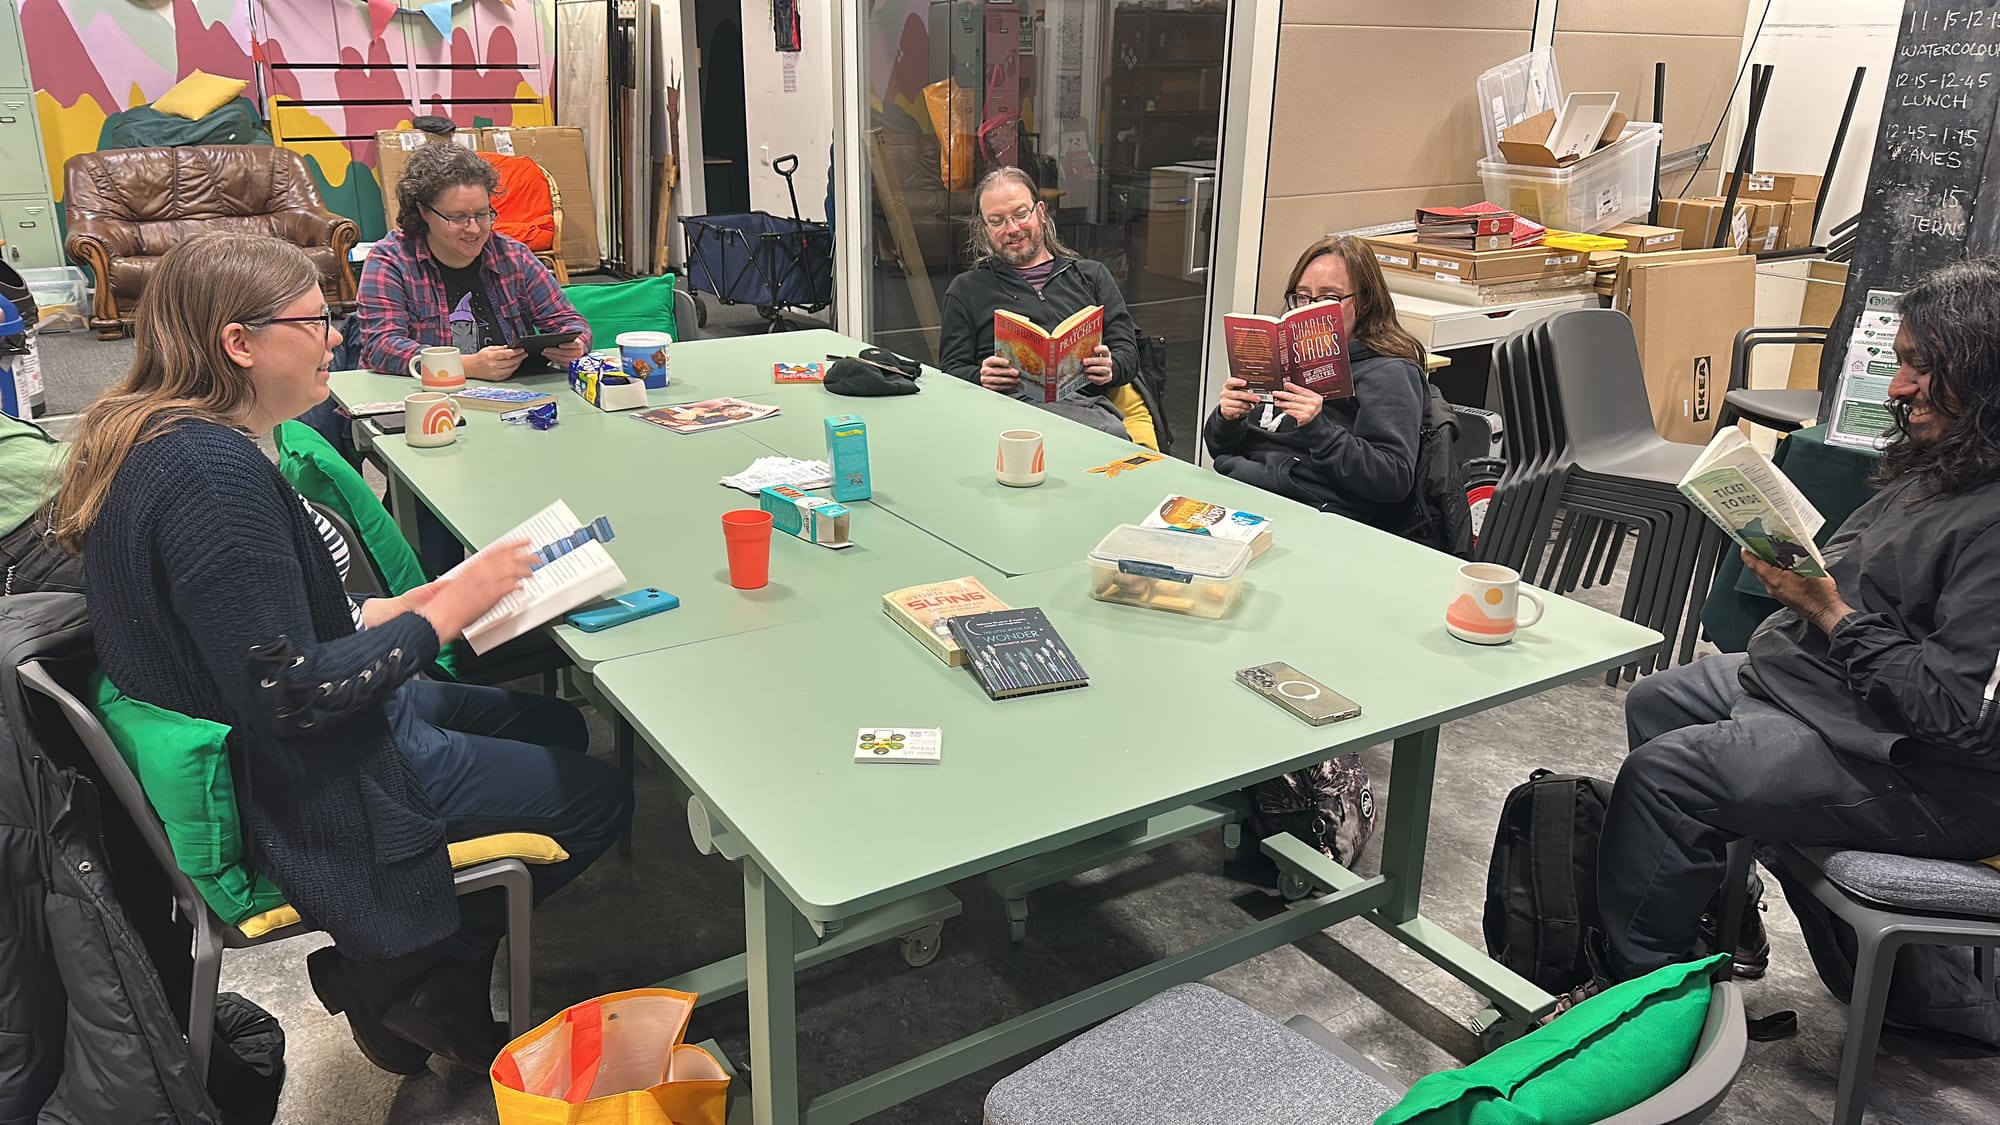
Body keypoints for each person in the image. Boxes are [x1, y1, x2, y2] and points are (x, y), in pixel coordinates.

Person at [55, 232, 632, 1075]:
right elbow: (292, 694)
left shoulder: (160, 435)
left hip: (272, 732)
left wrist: (386, 609)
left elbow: (242, 625)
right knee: (598, 796)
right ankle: (414, 974)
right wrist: (446, 613)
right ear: (239, 342)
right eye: (315, 321)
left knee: (558, 726)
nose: (337, 338)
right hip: (300, 774)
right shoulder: (210, 478)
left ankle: (426, 957)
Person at [1594, 258, 2000, 1010]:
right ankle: (1714, 924)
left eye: (1921, 368)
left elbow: (1954, 711)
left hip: (1930, 771)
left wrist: (1828, 611)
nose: (1898, 387)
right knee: (1659, 702)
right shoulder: (1954, 462)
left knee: (1669, 777)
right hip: (1832, 691)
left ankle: (1642, 1003)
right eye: (1900, 363)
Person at [1203, 235, 1429, 532]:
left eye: (1329, 299)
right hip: (1242, 488)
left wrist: (1318, 428)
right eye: (1302, 297)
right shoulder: (1286, 354)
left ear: (1364, 302)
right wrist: (1228, 419)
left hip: (1310, 511)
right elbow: (1219, 447)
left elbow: (1392, 479)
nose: (1310, 309)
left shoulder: (1389, 372)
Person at [354, 141, 590, 380]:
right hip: (423, 397)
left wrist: (575, 345)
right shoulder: (391, 261)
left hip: (513, 396)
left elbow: (570, 322)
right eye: (457, 217)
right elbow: (381, 347)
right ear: (423, 211)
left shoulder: (512, 256)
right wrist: (464, 366)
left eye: (482, 214)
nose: (474, 229)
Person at [937, 167, 1138, 439]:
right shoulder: (966, 289)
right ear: (984, 228)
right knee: (1108, 435)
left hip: (1084, 408)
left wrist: (1110, 367)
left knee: (1104, 433)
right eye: (997, 221)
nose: (1012, 229)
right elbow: (951, 371)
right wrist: (980, 377)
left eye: (1021, 214)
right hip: (1006, 413)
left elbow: (1129, 353)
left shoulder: (1091, 277)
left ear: (1041, 212)